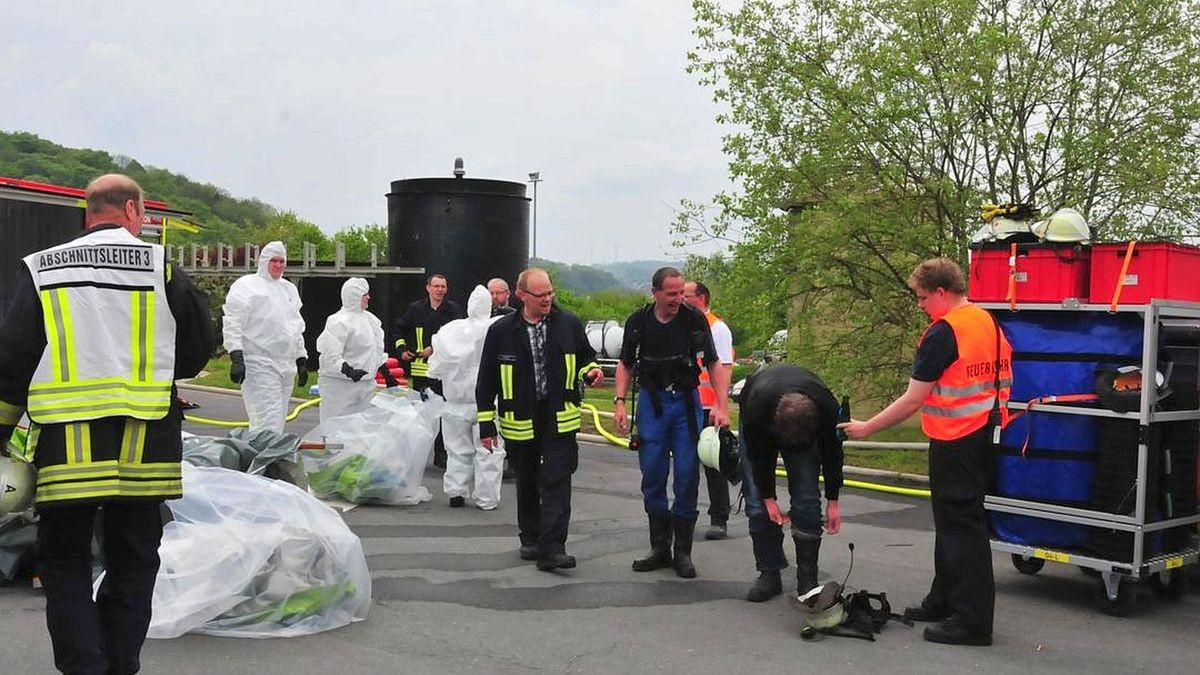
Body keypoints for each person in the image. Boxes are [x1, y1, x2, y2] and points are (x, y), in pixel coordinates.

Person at [0, 174, 213, 674]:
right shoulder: (162, 268)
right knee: (134, 561)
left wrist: (2, 432)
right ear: (136, 212)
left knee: (64, 563)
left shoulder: (42, 268)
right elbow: (197, 349)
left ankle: (84, 667)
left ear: (87, 214)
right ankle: (120, 665)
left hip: (67, 452)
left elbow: (12, 360)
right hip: (146, 448)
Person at [840, 257, 1011, 647]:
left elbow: (913, 399)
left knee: (963, 530)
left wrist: (866, 428)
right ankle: (942, 600)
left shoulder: (944, 332)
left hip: (957, 438)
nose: (919, 307)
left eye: (921, 298)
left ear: (939, 292)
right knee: (953, 525)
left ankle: (972, 622)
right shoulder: (986, 320)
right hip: (984, 432)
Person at [476, 268, 602, 570]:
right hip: (520, 417)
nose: (548, 299)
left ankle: (553, 548)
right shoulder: (501, 331)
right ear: (522, 295)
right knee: (527, 481)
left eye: (550, 293)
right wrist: (485, 424)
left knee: (558, 479)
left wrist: (591, 372)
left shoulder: (568, 324)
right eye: (541, 295)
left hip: (560, 416)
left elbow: (586, 358)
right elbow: (486, 379)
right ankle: (531, 538)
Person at [614, 267, 729, 579]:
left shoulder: (694, 319)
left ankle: (683, 553)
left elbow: (715, 363)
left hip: (685, 404)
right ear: (655, 292)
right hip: (652, 404)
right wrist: (620, 403)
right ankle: (659, 548)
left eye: (682, 293)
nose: (679, 299)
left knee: (687, 475)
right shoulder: (638, 322)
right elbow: (625, 365)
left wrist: (721, 404)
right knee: (652, 474)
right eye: (672, 293)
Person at [735, 364, 843, 602]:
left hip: (804, 414)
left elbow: (833, 454)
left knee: (807, 497)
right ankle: (768, 572)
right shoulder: (757, 411)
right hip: (759, 408)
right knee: (757, 505)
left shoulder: (827, 411)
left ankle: (808, 582)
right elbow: (757, 458)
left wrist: (833, 501)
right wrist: (768, 498)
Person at [429, 285, 505, 509]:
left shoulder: (449, 331)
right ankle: (487, 498)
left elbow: (435, 368)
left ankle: (456, 491)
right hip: (487, 404)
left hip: (455, 403)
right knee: (489, 450)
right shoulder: (496, 328)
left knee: (456, 449)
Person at [223, 240, 308, 435]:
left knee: (278, 420)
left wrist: (301, 358)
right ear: (263, 261)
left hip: (285, 365)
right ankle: (262, 462)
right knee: (266, 421)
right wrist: (236, 356)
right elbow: (233, 323)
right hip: (258, 363)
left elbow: (295, 327)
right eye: (273, 261)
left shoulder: (289, 289)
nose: (278, 265)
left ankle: (268, 461)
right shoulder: (246, 286)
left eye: (282, 261)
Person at [394, 274, 465, 468]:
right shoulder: (415, 309)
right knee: (422, 415)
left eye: (443, 286)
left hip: (443, 371)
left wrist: (436, 349)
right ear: (428, 288)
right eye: (436, 286)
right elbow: (399, 330)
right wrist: (402, 350)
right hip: (420, 370)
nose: (440, 290)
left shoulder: (453, 310)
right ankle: (418, 454)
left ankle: (441, 454)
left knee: (443, 413)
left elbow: (460, 338)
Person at [683, 280, 735, 540]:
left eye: (687, 295)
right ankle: (684, 516)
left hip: (709, 408)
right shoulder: (682, 325)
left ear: (701, 298)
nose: (681, 298)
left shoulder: (717, 328)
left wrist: (719, 405)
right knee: (686, 463)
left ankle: (719, 517)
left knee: (713, 463)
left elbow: (724, 368)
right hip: (686, 405)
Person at [315, 278, 394, 427]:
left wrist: (386, 374)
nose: (369, 298)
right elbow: (330, 353)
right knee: (337, 427)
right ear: (354, 296)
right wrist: (347, 370)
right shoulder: (339, 321)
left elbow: (376, 350)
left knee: (361, 429)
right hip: (340, 387)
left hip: (365, 386)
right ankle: (335, 451)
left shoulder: (371, 320)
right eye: (365, 294)